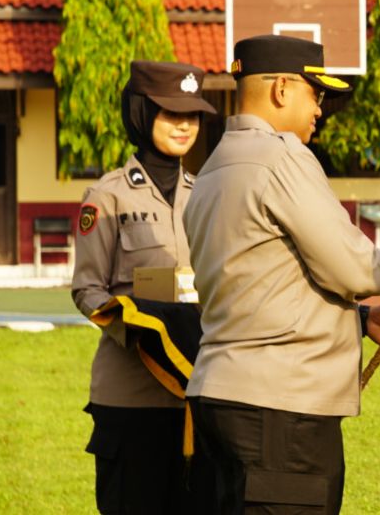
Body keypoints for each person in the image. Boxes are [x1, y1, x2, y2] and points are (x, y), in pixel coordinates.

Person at [183, 34, 380, 514]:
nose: (320, 110)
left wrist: (362, 320)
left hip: (221, 395)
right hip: (281, 410)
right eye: (316, 94)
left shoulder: (212, 167)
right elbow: (351, 264)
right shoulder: (282, 156)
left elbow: (266, 284)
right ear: (282, 89)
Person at [71, 60, 219, 514]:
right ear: (140, 113)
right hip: (130, 399)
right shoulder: (108, 197)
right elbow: (87, 289)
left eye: (192, 115)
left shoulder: (206, 193)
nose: (184, 125)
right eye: (170, 113)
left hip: (194, 394)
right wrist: (139, 328)